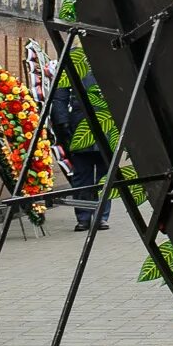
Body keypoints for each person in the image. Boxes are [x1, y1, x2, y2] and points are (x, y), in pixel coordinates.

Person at [50, 70, 111, 232]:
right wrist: (62, 123)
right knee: (82, 177)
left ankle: (101, 216)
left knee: (104, 177)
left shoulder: (106, 59)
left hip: (106, 126)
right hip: (78, 126)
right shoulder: (72, 62)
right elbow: (59, 96)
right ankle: (83, 217)